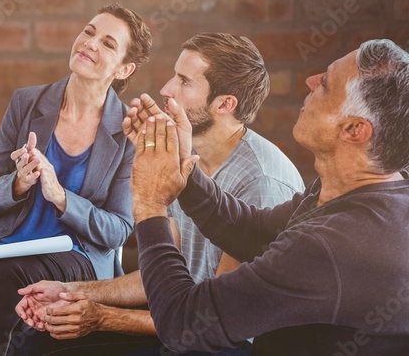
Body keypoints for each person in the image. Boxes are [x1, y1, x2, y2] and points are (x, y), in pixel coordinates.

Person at [18, 33, 304, 355]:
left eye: (184, 81)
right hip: (178, 318)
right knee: (37, 339)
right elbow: (158, 276)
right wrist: (71, 292)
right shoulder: (185, 155)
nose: (167, 89)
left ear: (224, 104)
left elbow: (214, 320)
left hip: (226, 343)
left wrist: (101, 318)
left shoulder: (261, 182)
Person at [129, 39, 409, 354]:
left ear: (355, 129)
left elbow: (183, 324)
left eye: (326, 84)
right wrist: (184, 169)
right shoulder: (358, 190)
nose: (310, 81)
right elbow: (255, 232)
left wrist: (149, 205)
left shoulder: (336, 244)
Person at [0, 4, 152, 356]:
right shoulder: (26, 103)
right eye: (88, 31)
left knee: (4, 282)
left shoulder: (128, 133)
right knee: (2, 279)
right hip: (1, 251)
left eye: (108, 43)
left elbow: (117, 230)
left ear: (124, 69)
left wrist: (61, 197)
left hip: (76, 261)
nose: (90, 44)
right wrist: (19, 183)